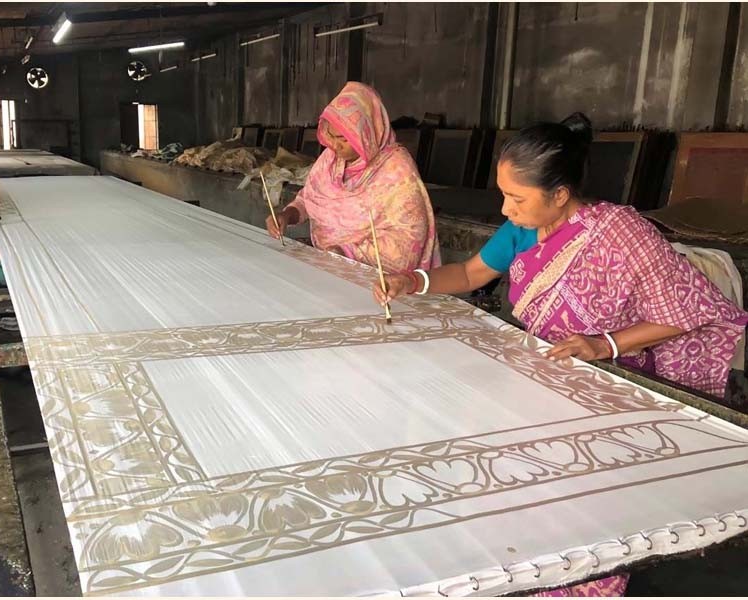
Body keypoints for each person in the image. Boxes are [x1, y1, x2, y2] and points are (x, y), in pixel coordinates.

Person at [377, 113, 748, 597]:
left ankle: (580, 572)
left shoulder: (619, 233)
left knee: (580, 494)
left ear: (559, 194)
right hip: (547, 369)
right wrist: (416, 281)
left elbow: (684, 310)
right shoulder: (520, 231)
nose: (506, 209)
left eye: (517, 197)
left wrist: (603, 344)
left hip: (608, 381)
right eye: (503, 194)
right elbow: (470, 275)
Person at [266, 81, 440, 274]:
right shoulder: (330, 159)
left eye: (343, 139)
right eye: (331, 135)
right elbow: (310, 198)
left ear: (367, 133)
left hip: (381, 282)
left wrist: (348, 253)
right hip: (330, 267)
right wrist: (287, 215)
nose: (334, 145)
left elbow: (408, 240)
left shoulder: (396, 170)